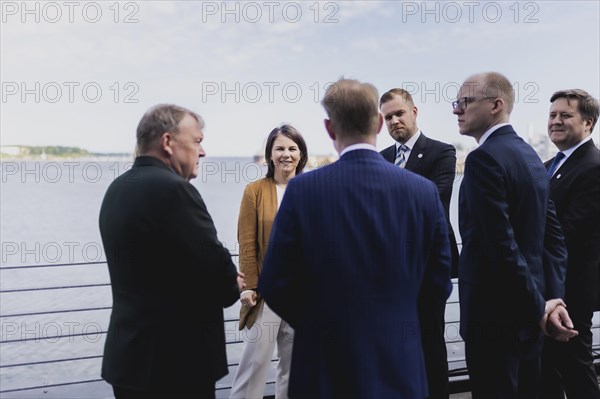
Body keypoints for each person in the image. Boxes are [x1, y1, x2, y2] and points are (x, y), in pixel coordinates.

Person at [258, 78, 453, 398]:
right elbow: (438, 281)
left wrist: (319, 324)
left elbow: (275, 282)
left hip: (324, 366)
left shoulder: (302, 191)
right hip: (400, 363)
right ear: (378, 123)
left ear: (329, 128)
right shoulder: (423, 192)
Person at [99, 104, 244, 398]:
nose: (202, 152)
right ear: (167, 143)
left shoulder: (117, 188)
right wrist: (234, 283)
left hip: (128, 362)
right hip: (175, 368)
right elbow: (218, 272)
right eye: (197, 141)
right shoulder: (174, 191)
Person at [453, 72, 576, 398]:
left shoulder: (482, 159)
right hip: (530, 315)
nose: (456, 110)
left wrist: (540, 308)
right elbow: (554, 240)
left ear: (496, 105)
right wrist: (550, 300)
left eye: (464, 102)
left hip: (493, 319)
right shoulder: (531, 157)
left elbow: (500, 247)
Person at [380, 88, 458, 399]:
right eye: (388, 117)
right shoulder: (382, 158)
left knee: (429, 340)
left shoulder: (442, 151)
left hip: (428, 266)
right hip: (389, 269)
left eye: (399, 113)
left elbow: (434, 202)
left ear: (415, 111)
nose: (394, 121)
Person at [230, 125, 308, 399]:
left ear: (301, 154)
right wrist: (248, 287)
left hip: (304, 296)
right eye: (280, 148)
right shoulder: (255, 191)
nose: (286, 154)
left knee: (294, 372)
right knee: (253, 367)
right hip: (267, 294)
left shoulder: (312, 190)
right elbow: (247, 244)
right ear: (270, 154)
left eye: (292, 148)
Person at [541, 89, 600, 399]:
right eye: (552, 115)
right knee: (547, 368)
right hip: (548, 287)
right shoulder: (550, 163)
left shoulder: (593, 166)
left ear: (588, 123)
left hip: (572, 291)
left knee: (576, 369)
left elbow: (571, 233)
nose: (556, 121)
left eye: (565, 115)